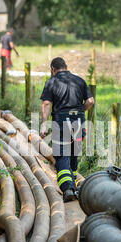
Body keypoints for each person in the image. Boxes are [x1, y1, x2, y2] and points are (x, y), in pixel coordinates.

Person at [39, 57, 95, 202]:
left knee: (62, 155)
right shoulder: (79, 80)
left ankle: (68, 189)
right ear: (66, 66)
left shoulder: (51, 82)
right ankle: (75, 184)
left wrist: (44, 124)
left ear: (53, 69)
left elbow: (46, 104)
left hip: (61, 121)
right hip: (78, 121)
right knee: (73, 153)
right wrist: (81, 110)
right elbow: (90, 101)